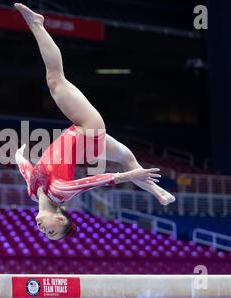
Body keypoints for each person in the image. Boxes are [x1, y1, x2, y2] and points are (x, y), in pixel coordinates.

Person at [14, 3, 176, 240]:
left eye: (45, 233)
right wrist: (126, 177)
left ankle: (158, 193)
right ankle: (37, 23)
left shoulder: (33, 192)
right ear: (60, 218)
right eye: (51, 230)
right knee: (55, 80)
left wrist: (19, 155)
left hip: (87, 144)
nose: (42, 229)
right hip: (86, 127)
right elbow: (94, 181)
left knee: (127, 159)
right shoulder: (60, 192)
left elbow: (26, 170)